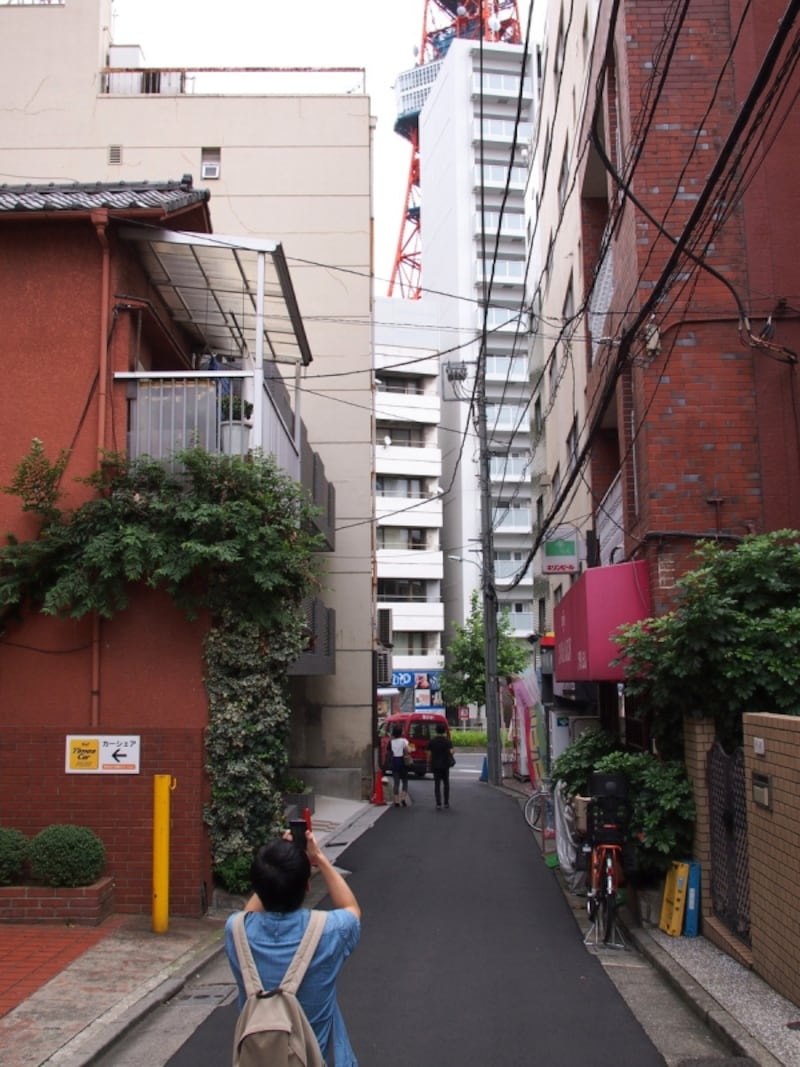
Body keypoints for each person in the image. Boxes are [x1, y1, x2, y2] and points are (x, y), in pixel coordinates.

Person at [224, 829, 361, 1066]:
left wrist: (275, 868)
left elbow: (249, 914)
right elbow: (351, 909)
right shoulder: (329, 930)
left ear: (258, 887)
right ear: (307, 886)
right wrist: (318, 858)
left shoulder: (236, 931)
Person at [428, 721, 454, 809]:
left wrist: (428, 763)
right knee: (446, 783)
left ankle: (438, 803)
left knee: (437, 784)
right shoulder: (447, 741)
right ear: (444, 731)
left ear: (436, 731)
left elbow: (429, 754)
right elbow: (451, 752)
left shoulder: (432, 741)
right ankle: (446, 802)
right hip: (445, 765)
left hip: (435, 765)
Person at [388, 723, 411, 807]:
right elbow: (409, 750)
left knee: (396, 782)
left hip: (394, 761)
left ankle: (396, 801)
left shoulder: (391, 742)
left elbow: (389, 751)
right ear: (401, 732)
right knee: (405, 781)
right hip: (402, 761)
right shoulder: (404, 741)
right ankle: (403, 798)